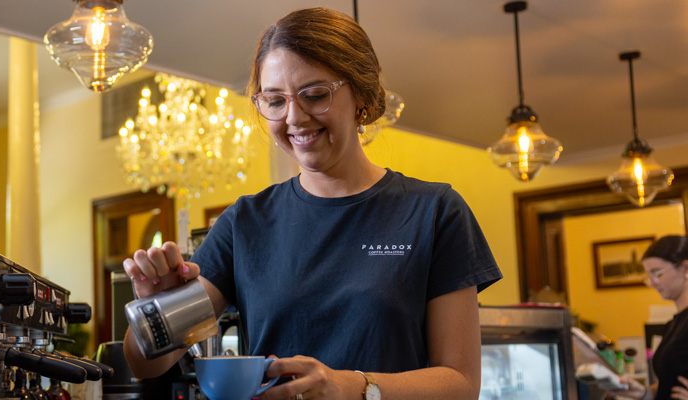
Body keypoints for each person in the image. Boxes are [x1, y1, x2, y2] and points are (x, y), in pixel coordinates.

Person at [121, 7, 502, 400]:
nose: (294, 118)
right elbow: (146, 363)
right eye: (274, 100)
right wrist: (153, 310)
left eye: (315, 95)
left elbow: (461, 384)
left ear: (362, 98)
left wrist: (354, 385)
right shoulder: (245, 222)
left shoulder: (434, 211)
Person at [614, 235, 688, 400]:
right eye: (649, 276)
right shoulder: (672, 325)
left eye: (657, 273)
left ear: (685, 268)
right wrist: (644, 392)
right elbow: (670, 383)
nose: (653, 282)